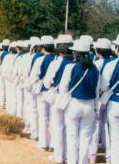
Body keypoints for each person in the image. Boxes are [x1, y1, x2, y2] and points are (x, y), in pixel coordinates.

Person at [59, 39, 99, 164]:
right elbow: (97, 90)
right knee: (85, 138)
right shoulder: (95, 69)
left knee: (72, 136)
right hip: (90, 105)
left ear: (76, 53)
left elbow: (63, 88)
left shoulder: (70, 67)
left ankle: (72, 161)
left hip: (74, 104)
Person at [42, 34, 74, 163]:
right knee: (70, 129)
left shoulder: (56, 63)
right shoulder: (77, 61)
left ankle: (59, 156)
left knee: (59, 127)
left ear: (59, 48)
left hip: (58, 98)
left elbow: (47, 83)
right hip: (73, 98)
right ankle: (69, 156)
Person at [100, 33, 119, 164]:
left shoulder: (111, 65)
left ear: (117, 48)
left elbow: (104, 86)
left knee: (115, 136)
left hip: (115, 103)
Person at [88, 38, 113, 164]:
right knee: (106, 127)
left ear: (99, 50)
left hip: (99, 99)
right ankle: (109, 156)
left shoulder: (97, 63)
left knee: (95, 126)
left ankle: (92, 156)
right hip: (111, 99)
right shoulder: (114, 61)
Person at [30, 35, 56, 150]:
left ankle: (43, 143)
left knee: (43, 117)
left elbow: (34, 76)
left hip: (43, 91)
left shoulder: (40, 59)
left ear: (43, 47)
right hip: (55, 92)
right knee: (53, 118)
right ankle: (53, 144)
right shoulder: (57, 59)